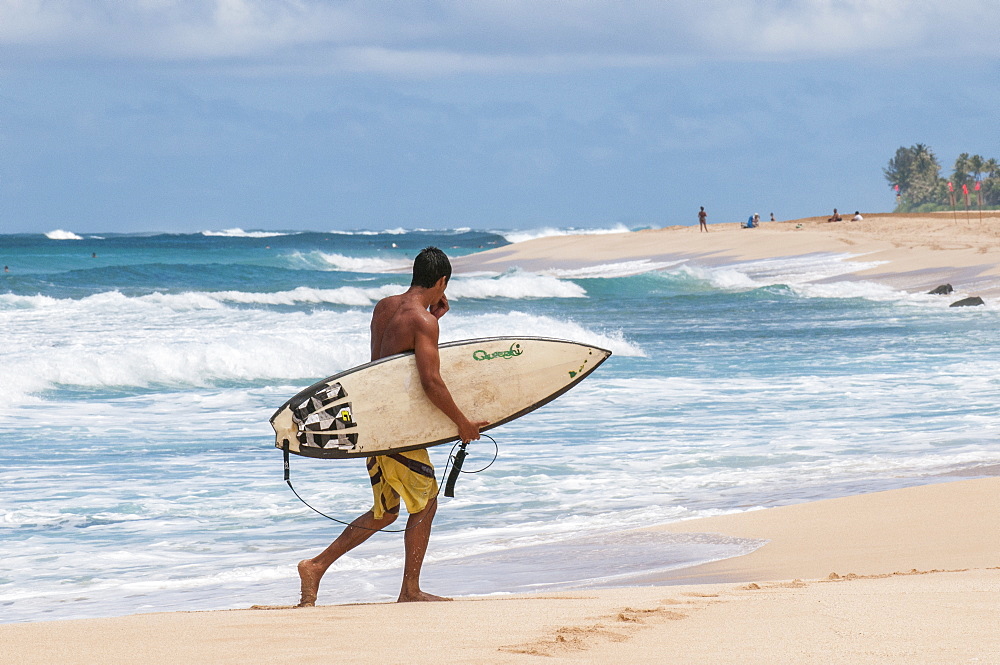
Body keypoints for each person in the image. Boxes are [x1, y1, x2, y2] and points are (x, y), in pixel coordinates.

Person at [296, 247, 487, 606]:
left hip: (370, 419)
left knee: (386, 511)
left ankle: (316, 566)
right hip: (395, 427)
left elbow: (386, 365)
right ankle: (410, 590)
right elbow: (431, 381)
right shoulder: (423, 321)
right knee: (426, 502)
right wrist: (462, 423)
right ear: (442, 281)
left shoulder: (384, 306)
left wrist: (434, 317)